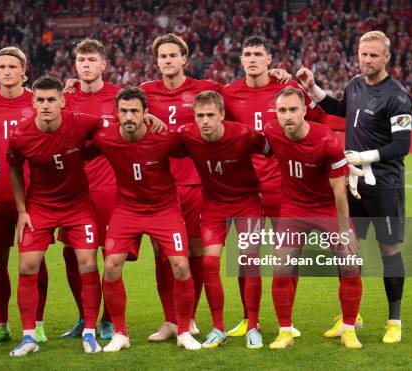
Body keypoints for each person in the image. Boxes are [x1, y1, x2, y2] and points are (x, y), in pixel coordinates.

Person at [140, 33, 292, 341]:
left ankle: (194, 318)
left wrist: (277, 77)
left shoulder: (208, 89)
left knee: (200, 255)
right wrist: (71, 87)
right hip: (160, 185)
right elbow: (119, 104)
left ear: (184, 59)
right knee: (162, 255)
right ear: (156, 61)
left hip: (200, 185)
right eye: (162, 56)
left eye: (173, 55)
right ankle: (172, 320)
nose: (167, 60)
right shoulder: (143, 93)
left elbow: (242, 101)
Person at [297, 30, 412, 343]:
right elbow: (338, 109)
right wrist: (313, 89)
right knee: (347, 251)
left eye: (374, 55)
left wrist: (362, 156)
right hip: (353, 184)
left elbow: (402, 145)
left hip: (385, 185)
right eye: (363, 54)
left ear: (387, 57)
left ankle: (394, 321)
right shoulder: (355, 84)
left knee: (389, 251)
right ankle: (352, 316)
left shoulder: (398, 96)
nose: (367, 60)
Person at [221, 35, 331, 338]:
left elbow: (319, 121)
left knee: (288, 258)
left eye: (258, 53)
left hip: (285, 190)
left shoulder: (289, 91)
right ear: (241, 60)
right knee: (247, 256)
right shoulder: (227, 95)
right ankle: (248, 318)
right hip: (246, 190)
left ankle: (287, 320)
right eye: (247, 53)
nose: (252, 58)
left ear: (270, 59)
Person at [90, 86, 200, 352]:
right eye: (124, 111)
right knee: (112, 265)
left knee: (181, 267)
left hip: (165, 209)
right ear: (116, 114)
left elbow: (193, 142)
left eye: (135, 111)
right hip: (127, 209)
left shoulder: (164, 137)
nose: (129, 116)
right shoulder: (105, 138)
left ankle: (184, 330)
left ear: (146, 113)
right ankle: (120, 333)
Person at [7, 77, 104, 355]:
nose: (46, 105)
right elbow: (14, 168)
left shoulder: (82, 121)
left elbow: (107, 131)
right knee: (27, 265)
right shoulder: (21, 135)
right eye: (41, 100)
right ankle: (28, 337)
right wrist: (22, 210)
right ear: (33, 102)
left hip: (78, 205)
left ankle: (89, 331)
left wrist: (88, 152)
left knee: (87, 263)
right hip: (40, 206)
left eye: (52, 100)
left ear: (63, 101)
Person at [263, 87, 363, 350]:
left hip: (326, 208)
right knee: (282, 268)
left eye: (293, 109)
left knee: (351, 263)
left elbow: (339, 190)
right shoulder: (271, 131)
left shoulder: (326, 140)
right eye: (282, 110)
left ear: (305, 111)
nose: (287, 115)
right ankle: (285, 331)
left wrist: (345, 230)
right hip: (293, 208)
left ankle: (349, 328)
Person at [177, 91, 270, 349]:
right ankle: (218, 328)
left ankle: (253, 326)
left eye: (210, 115)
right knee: (209, 263)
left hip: (247, 204)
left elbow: (273, 148)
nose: (205, 121)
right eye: (200, 116)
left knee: (250, 263)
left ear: (222, 115)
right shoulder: (187, 134)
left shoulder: (242, 134)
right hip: (214, 206)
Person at [0, 47, 49, 345]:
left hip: (32, 197)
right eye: (1, 66)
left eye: (12, 66)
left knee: (34, 262)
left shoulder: (37, 102)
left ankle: (38, 324)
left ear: (24, 70)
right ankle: (1, 324)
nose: (6, 71)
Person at [58, 38, 119, 340]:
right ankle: (85, 316)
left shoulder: (119, 97)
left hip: (109, 189)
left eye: (92, 59)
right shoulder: (65, 99)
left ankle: (107, 320)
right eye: (81, 60)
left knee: (110, 257)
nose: (86, 65)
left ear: (103, 64)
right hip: (74, 192)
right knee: (73, 255)